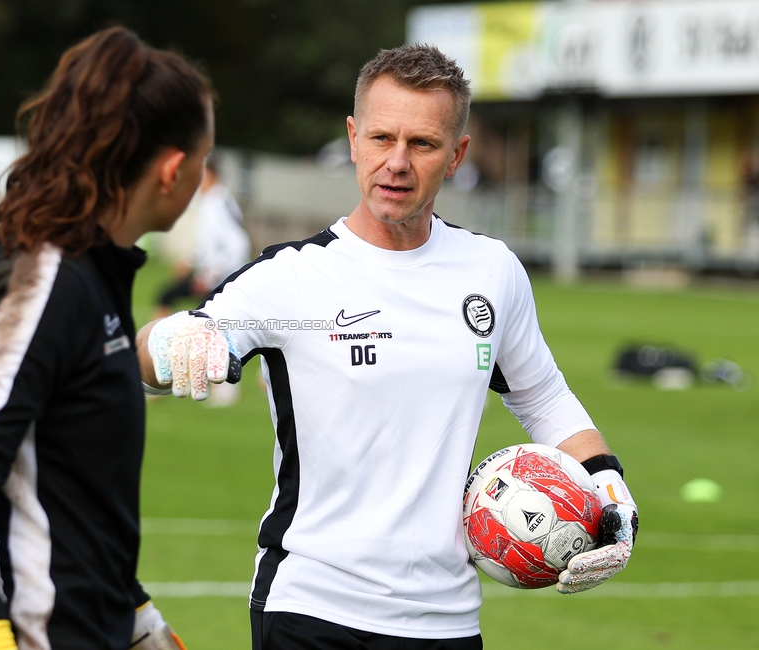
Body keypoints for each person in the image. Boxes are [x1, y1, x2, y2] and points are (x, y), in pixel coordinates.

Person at [137, 44, 638, 649]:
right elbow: (152, 358)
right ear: (353, 138)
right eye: (381, 139)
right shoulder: (290, 277)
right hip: (311, 609)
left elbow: (544, 398)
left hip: (446, 622)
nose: (396, 163)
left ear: (456, 155)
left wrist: (610, 494)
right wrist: (168, 344)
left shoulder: (492, 271)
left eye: (422, 144)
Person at [0, 26, 214, 650]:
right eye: (204, 160)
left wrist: (138, 622)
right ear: (173, 169)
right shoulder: (40, 283)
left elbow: (72, 498)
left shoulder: (98, 275)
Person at [155, 156, 250, 315]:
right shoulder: (209, 202)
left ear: (212, 176)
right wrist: (188, 261)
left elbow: (238, 244)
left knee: (202, 316)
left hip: (223, 279)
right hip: (209, 276)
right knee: (168, 298)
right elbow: (208, 245)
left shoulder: (219, 203)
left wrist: (210, 275)